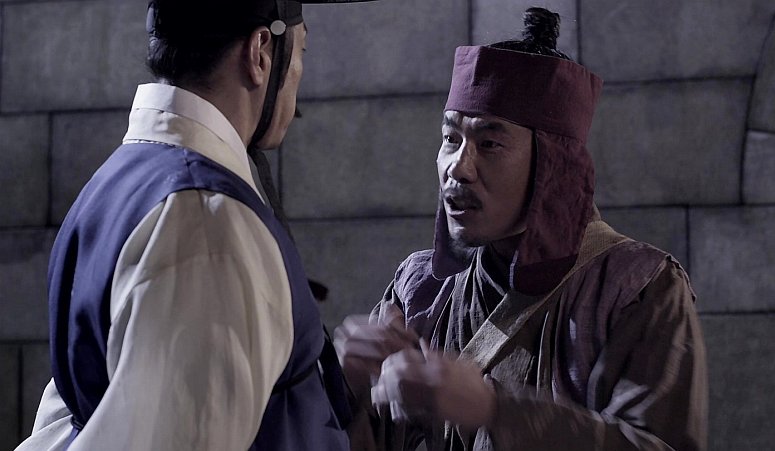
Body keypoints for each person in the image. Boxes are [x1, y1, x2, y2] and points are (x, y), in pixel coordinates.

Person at [336, 7, 708, 451]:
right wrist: (346, 386)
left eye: (489, 143)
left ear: (554, 166)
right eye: (451, 139)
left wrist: (497, 411)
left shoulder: (635, 287)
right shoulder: (419, 289)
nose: (458, 167)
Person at [16, 0, 375, 449]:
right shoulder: (206, 224)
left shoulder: (122, 177)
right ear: (260, 53)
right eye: (301, 52)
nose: (299, 78)